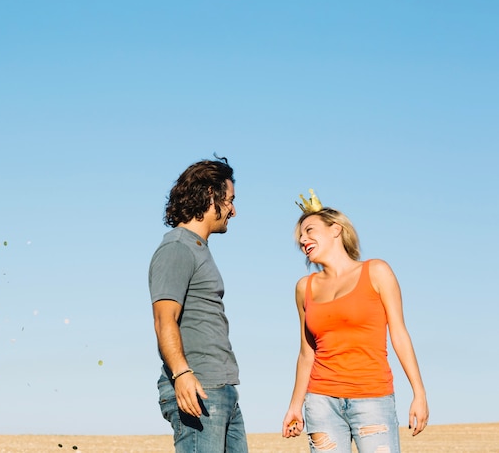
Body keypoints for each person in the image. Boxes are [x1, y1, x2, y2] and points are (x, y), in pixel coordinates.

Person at [282, 189, 429, 453]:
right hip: (321, 401)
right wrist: (295, 406)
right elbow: (307, 353)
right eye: (300, 237)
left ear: (335, 229)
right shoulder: (305, 287)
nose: (303, 240)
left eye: (310, 230)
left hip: (372, 397)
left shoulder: (377, 272)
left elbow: (399, 334)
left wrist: (419, 393)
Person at [148, 157, 248, 453]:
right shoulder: (177, 248)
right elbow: (164, 318)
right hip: (199, 388)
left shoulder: (196, 249)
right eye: (229, 200)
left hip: (221, 387)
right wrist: (181, 374)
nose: (233, 210)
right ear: (209, 196)